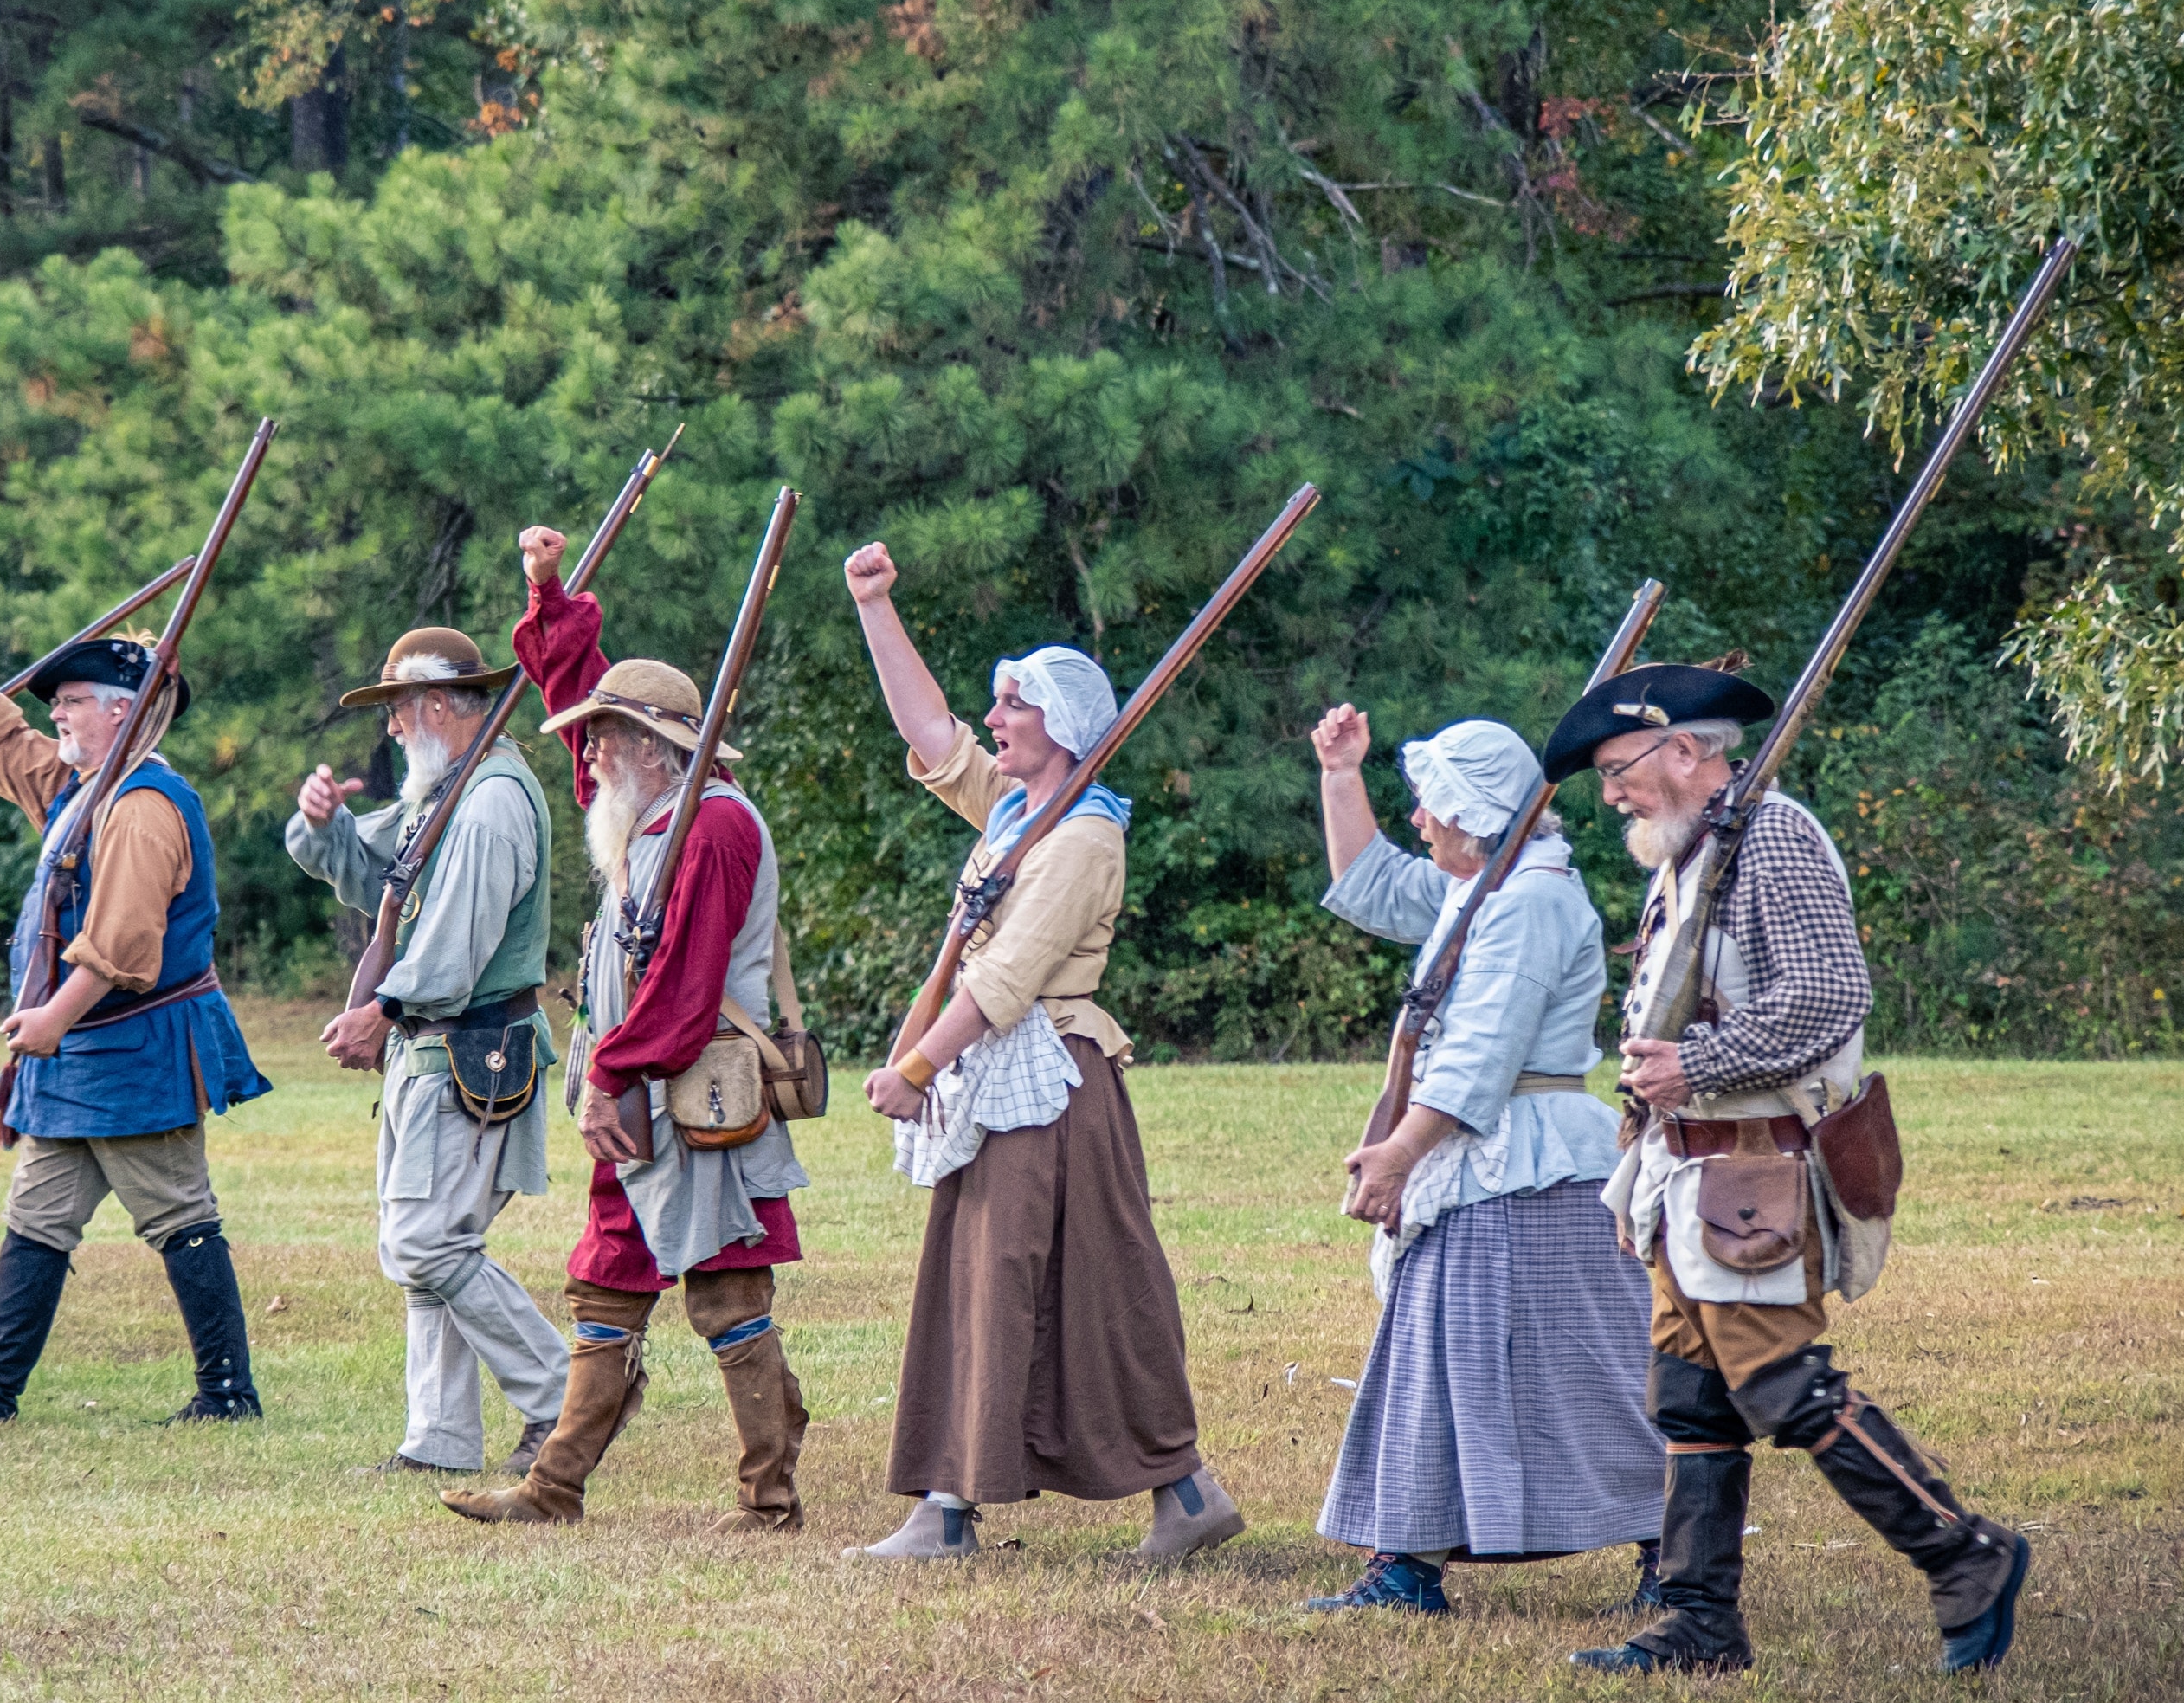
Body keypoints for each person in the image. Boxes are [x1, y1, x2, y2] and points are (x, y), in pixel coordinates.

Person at [1549, 663, 2030, 1674]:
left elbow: (1828, 995)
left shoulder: (1773, 839)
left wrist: (1699, 1064)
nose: (1610, 793)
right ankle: (1700, 1622)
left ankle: (1964, 1550)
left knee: (1783, 1385)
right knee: (1690, 1399)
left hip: (1755, 1171)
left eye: (1619, 767)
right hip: (1689, 1179)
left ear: (1686, 748)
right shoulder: (1686, 856)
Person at [837, 541, 1240, 1563]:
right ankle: (951, 1503)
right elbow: (931, 733)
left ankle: (1173, 1493)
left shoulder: (1082, 838)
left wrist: (917, 1068)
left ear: (1060, 728)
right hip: (1007, 1081)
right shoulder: (1021, 811)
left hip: (1054, 1086)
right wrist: (875, 604)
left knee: (1088, 1290)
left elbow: (1004, 980)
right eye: (1001, 704)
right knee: (979, 1277)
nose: (998, 719)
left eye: (1016, 704)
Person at [436, 526, 811, 1530]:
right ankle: (554, 1491)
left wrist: (612, 1073)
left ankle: (770, 1497)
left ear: (656, 747)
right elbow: (573, 688)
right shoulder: (639, 804)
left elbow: (688, 989)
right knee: (608, 1279)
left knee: (727, 1294)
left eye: (605, 735)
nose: (587, 748)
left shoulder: (716, 824)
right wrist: (548, 591)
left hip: (688, 1087)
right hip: (636, 1090)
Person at [0, 601, 273, 1428]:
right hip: (82, 1054)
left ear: (123, 711)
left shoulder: (140, 808)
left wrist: (53, 1017)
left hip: (134, 1044)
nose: (55, 710)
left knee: (178, 1214)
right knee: (38, 1216)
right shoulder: (85, 789)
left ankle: (228, 1394)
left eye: (75, 699)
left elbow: (121, 940)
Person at [1301, 706, 1662, 1614]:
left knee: (1593, 1375)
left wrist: (1397, 1155)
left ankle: (1680, 1559)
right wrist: (1340, 777)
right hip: (1490, 1163)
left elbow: (1481, 1055)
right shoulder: (1486, 888)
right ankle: (1411, 1566)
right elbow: (1377, 885)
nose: (1418, 821)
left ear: (1474, 815)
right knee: (1435, 1357)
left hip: (1526, 1168)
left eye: (1430, 807)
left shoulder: (1532, 901)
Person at [283, 626, 570, 1476]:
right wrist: (324, 828)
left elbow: (456, 944)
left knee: (427, 1244)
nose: (394, 729)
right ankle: (440, 1439)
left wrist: (383, 1008)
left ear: (438, 705)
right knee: (427, 1247)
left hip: (467, 1048)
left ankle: (566, 1396)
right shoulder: (445, 792)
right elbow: (379, 877)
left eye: (401, 712)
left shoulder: (486, 805)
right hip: (439, 1052)